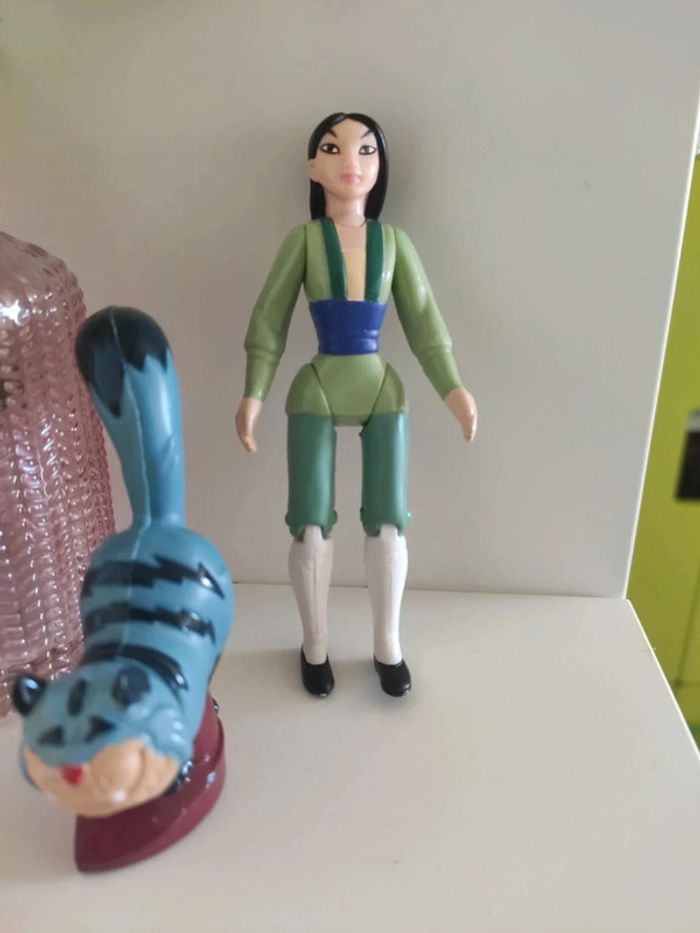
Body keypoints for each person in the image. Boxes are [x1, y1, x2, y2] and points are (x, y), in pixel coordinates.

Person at [235, 112, 477, 698]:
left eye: (366, 150)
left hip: (380, 387)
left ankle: (387, 644)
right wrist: (254, 392)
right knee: (310, 526)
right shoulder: (303, 241)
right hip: (317, 384)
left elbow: (425, 323)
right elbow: (269, 320)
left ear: (381, 166)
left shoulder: (394, 243)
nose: (351, 161)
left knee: (390, 525)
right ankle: (314, 644)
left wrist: (454, 389)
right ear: (312, 167)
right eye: (333, 149)